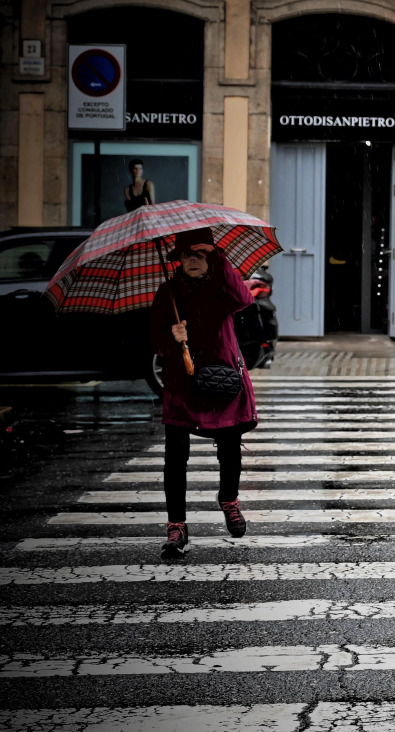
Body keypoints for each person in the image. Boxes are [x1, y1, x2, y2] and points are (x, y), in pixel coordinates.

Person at [150, 229, 258, 559]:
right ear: (178, 260)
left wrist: (220, 255)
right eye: (188, 255)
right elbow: (153, 337)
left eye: (201, 254)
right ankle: (176, 526)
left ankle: (229, 500)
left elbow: (244, 299)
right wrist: (172, 336)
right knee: (175, 453)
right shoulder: (168, 292)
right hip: (182, 384)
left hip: (221, 378)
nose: (193, 260)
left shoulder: (222, 286)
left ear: (210, 256)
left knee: (229, 446)